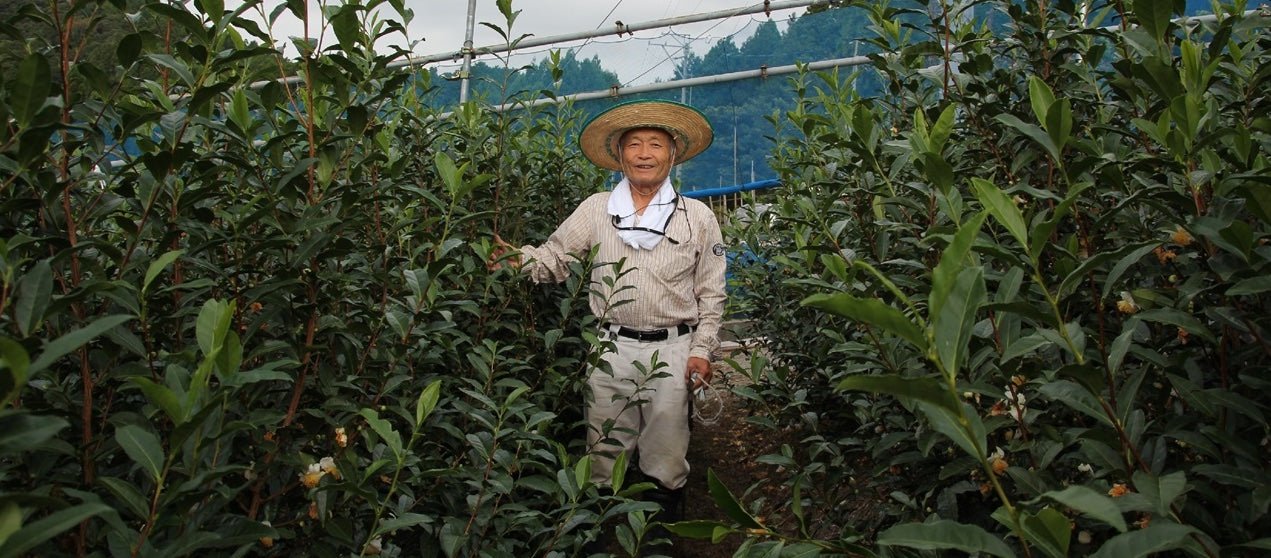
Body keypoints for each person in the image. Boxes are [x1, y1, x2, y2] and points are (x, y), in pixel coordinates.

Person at [490, 99, 726, 540]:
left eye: (655, 144)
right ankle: (598, 540)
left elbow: (711, 293)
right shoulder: (598, 208)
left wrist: (701, 351)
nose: (643, 153)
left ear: (672, 153)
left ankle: (656, 542)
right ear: (618, 155)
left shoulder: (698, 218)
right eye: (633, 144)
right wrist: (515, 261)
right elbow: (555, 258)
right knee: (603, 452)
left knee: (667, 456)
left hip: (673, 350)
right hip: (610, 348)